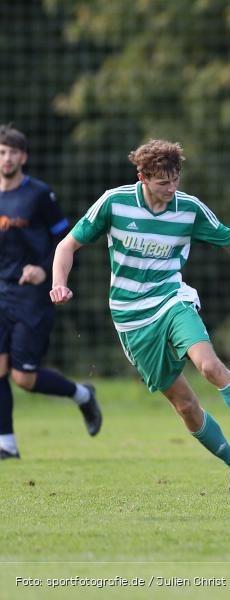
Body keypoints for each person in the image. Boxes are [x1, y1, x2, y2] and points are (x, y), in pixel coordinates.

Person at [50, 139, 230, 490]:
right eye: (162, 182)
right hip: (131, 319)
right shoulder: (115, 202)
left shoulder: (188, 208)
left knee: (211, 367)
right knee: (185, 405)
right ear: (142, 177)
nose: (171, 189)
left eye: (175, 180)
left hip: (172, 299)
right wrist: (58, 283)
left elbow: (228, 239)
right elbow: (67, 245)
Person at [0, 124, 102, 460]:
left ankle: (82, 395)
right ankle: (7, 444)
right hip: (1, 292)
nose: (7, 157)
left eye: (13, 151)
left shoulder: (39, 194)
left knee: (24, 378)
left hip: (32, 295)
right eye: (2, 151)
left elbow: (66, 239)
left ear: (23, 157)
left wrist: (44, 268)